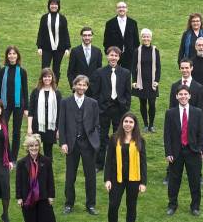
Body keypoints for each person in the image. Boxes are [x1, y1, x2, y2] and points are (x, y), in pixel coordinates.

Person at [59, 75, 100, 215]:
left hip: (88, 144)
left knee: (90, 176)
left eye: (84, 85)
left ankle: (91, 205)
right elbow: (62, 124)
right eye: (79, 84)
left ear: (87, 87)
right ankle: (69, 204)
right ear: (74, 85)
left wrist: (95, 140)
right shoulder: (65, 102)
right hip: (71, 144)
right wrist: (63, 142)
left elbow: (96, 124)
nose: (81, 87)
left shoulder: (93, 103)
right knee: (70, 176)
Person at [164, 85, 203, 216]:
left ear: (189, 96)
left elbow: (201, 132)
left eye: (185, 94)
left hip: (193, 151)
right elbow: (167, 135)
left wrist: (201, 149)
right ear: (176, 96)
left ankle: (195, 207)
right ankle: (172, 205)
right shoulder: (170, 113)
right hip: (176, 152)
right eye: (180, 94)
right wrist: (168, 152)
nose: (183, 96)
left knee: (195, 181)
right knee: (174, 180)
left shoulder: (197, 112)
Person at [164, 58, 203, 185]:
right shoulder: (175, 86)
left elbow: (199, 107)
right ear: (180, 69)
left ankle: (199, 175)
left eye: (187, 67)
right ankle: (169, 174)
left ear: (191, 68)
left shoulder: (198, 87)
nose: (185, 70)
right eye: (183, 68)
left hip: (191, 125)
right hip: (177, 123)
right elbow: (171, 106)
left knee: (194, 159)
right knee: (174, 152)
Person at [92, 46, 131, 172]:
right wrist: (99, 106)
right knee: (102, 137)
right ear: (107, 56)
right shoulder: (100, 72)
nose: (113, 57)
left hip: (119, 109)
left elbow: (127, 92)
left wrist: (125, 106)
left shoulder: (125, 73)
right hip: (103, 109)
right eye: (111, 55)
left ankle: (117, 162)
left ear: (119, 57)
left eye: (116, 55)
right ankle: (99, 164)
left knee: (119, 137)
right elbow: (95, 92)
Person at [104, 112, 147, 222]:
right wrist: (107, 179)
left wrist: (143, 182)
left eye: (131, 122)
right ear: (122, 123)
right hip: (116, 178)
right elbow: (108, 160)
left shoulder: (140, 140)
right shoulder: (114, 138)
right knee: (113, 205)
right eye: (126, 121)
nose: (128, 124)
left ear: (135, 124)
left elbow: (143, 163)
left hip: (134, 178)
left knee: (131, 207)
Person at [0, 46, 29, 162]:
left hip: (18, 105)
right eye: (9, 54)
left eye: (14, 54)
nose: (12, 56)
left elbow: (25, 90)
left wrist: (26, 108)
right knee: (3, 131)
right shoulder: (2, 71)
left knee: (16, 132)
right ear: (7, 56)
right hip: (4, 105)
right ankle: (5, 155)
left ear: (17, 56)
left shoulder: (22, 71)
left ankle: (13, 158)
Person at [16, 134, 56, 222]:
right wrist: (19, 197)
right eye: (31, 146)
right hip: (28, 198)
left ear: (39, 146)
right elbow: (18, 182)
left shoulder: (46, 161)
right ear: (27, 147)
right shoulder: (21, 163)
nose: (34, 148)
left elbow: (50, 180)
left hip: (43, 197)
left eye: (36, 145)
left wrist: (51, 196)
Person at [27, 68, 62, 160]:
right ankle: (34, 171)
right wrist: (29, 127)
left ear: (52, 78)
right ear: (41, 78)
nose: (47, 78)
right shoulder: (35, 92)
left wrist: (58, 129)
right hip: (37, 125)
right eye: (45, 76)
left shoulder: (57, 93)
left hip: (51, 127)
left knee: (48, 152)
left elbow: (59, 113)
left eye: (49, 76)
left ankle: (47, 172)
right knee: (34, 150)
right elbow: (31, 111)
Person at [131, 28, 161, 132]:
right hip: (141, 82)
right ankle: (145, 124)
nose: (146, 38)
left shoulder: (155, 50)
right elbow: (133, 67)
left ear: (151, 38)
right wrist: (134, 81)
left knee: (152, 103)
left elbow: (158, 67)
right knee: (142, 103)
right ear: (141, 38)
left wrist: (157, 80)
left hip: (152, 82)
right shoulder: (137, 51)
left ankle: (151, 125)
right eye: (144, 36)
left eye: (147, 36)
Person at [36, 0, 71, 83]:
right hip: (46, 48)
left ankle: (55, 86)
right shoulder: (44, 18)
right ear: (49, 5)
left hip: (60, 48)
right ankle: (43, 86)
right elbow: (41, 32)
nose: (54, 6)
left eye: (55, 4)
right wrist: (39, 47)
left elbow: (65, 33)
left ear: (58, 5)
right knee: (45, 67)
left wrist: (67, 48)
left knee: (56, 68)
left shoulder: (62, 18)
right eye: (52, 4)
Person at [103, 1, 139, 70]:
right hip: (114, 55)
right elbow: (106, 41)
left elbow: (136, 41)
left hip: (129, 56)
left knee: (127, 77)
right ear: (116, 9)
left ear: (127, 9)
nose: (121, 9)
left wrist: (134, 53)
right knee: (113, 76)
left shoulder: (133, 23)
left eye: (123, 7)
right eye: (119, 7)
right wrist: (109, 53)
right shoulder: (110, 23)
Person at [67, 26, 102, 96]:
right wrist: (74, 87)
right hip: (79, 88)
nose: (87, 38)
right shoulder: (75, 51)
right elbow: (70, 71)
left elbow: (99, 71)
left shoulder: (97, 51)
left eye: (89, 35)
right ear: (81, 36)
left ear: (92, 36)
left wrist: (97, 87)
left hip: (93, 89)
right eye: (85, 35)